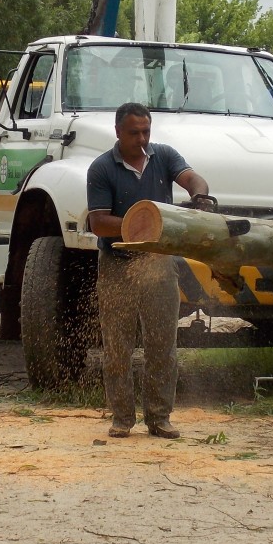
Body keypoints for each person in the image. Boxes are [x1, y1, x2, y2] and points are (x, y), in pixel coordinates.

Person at [86, 102, 208, 439]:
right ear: (118, 132)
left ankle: (159, 417)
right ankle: (122, 418)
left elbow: (191, 177)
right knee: (117, 346)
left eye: (146, 131)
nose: (142, 138)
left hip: (158, 263)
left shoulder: (164, 156)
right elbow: (98, 223)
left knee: (162, 344)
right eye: (134, 132)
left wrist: (199, 194)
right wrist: (142, 225)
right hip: (117, 266)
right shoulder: (101, 168)